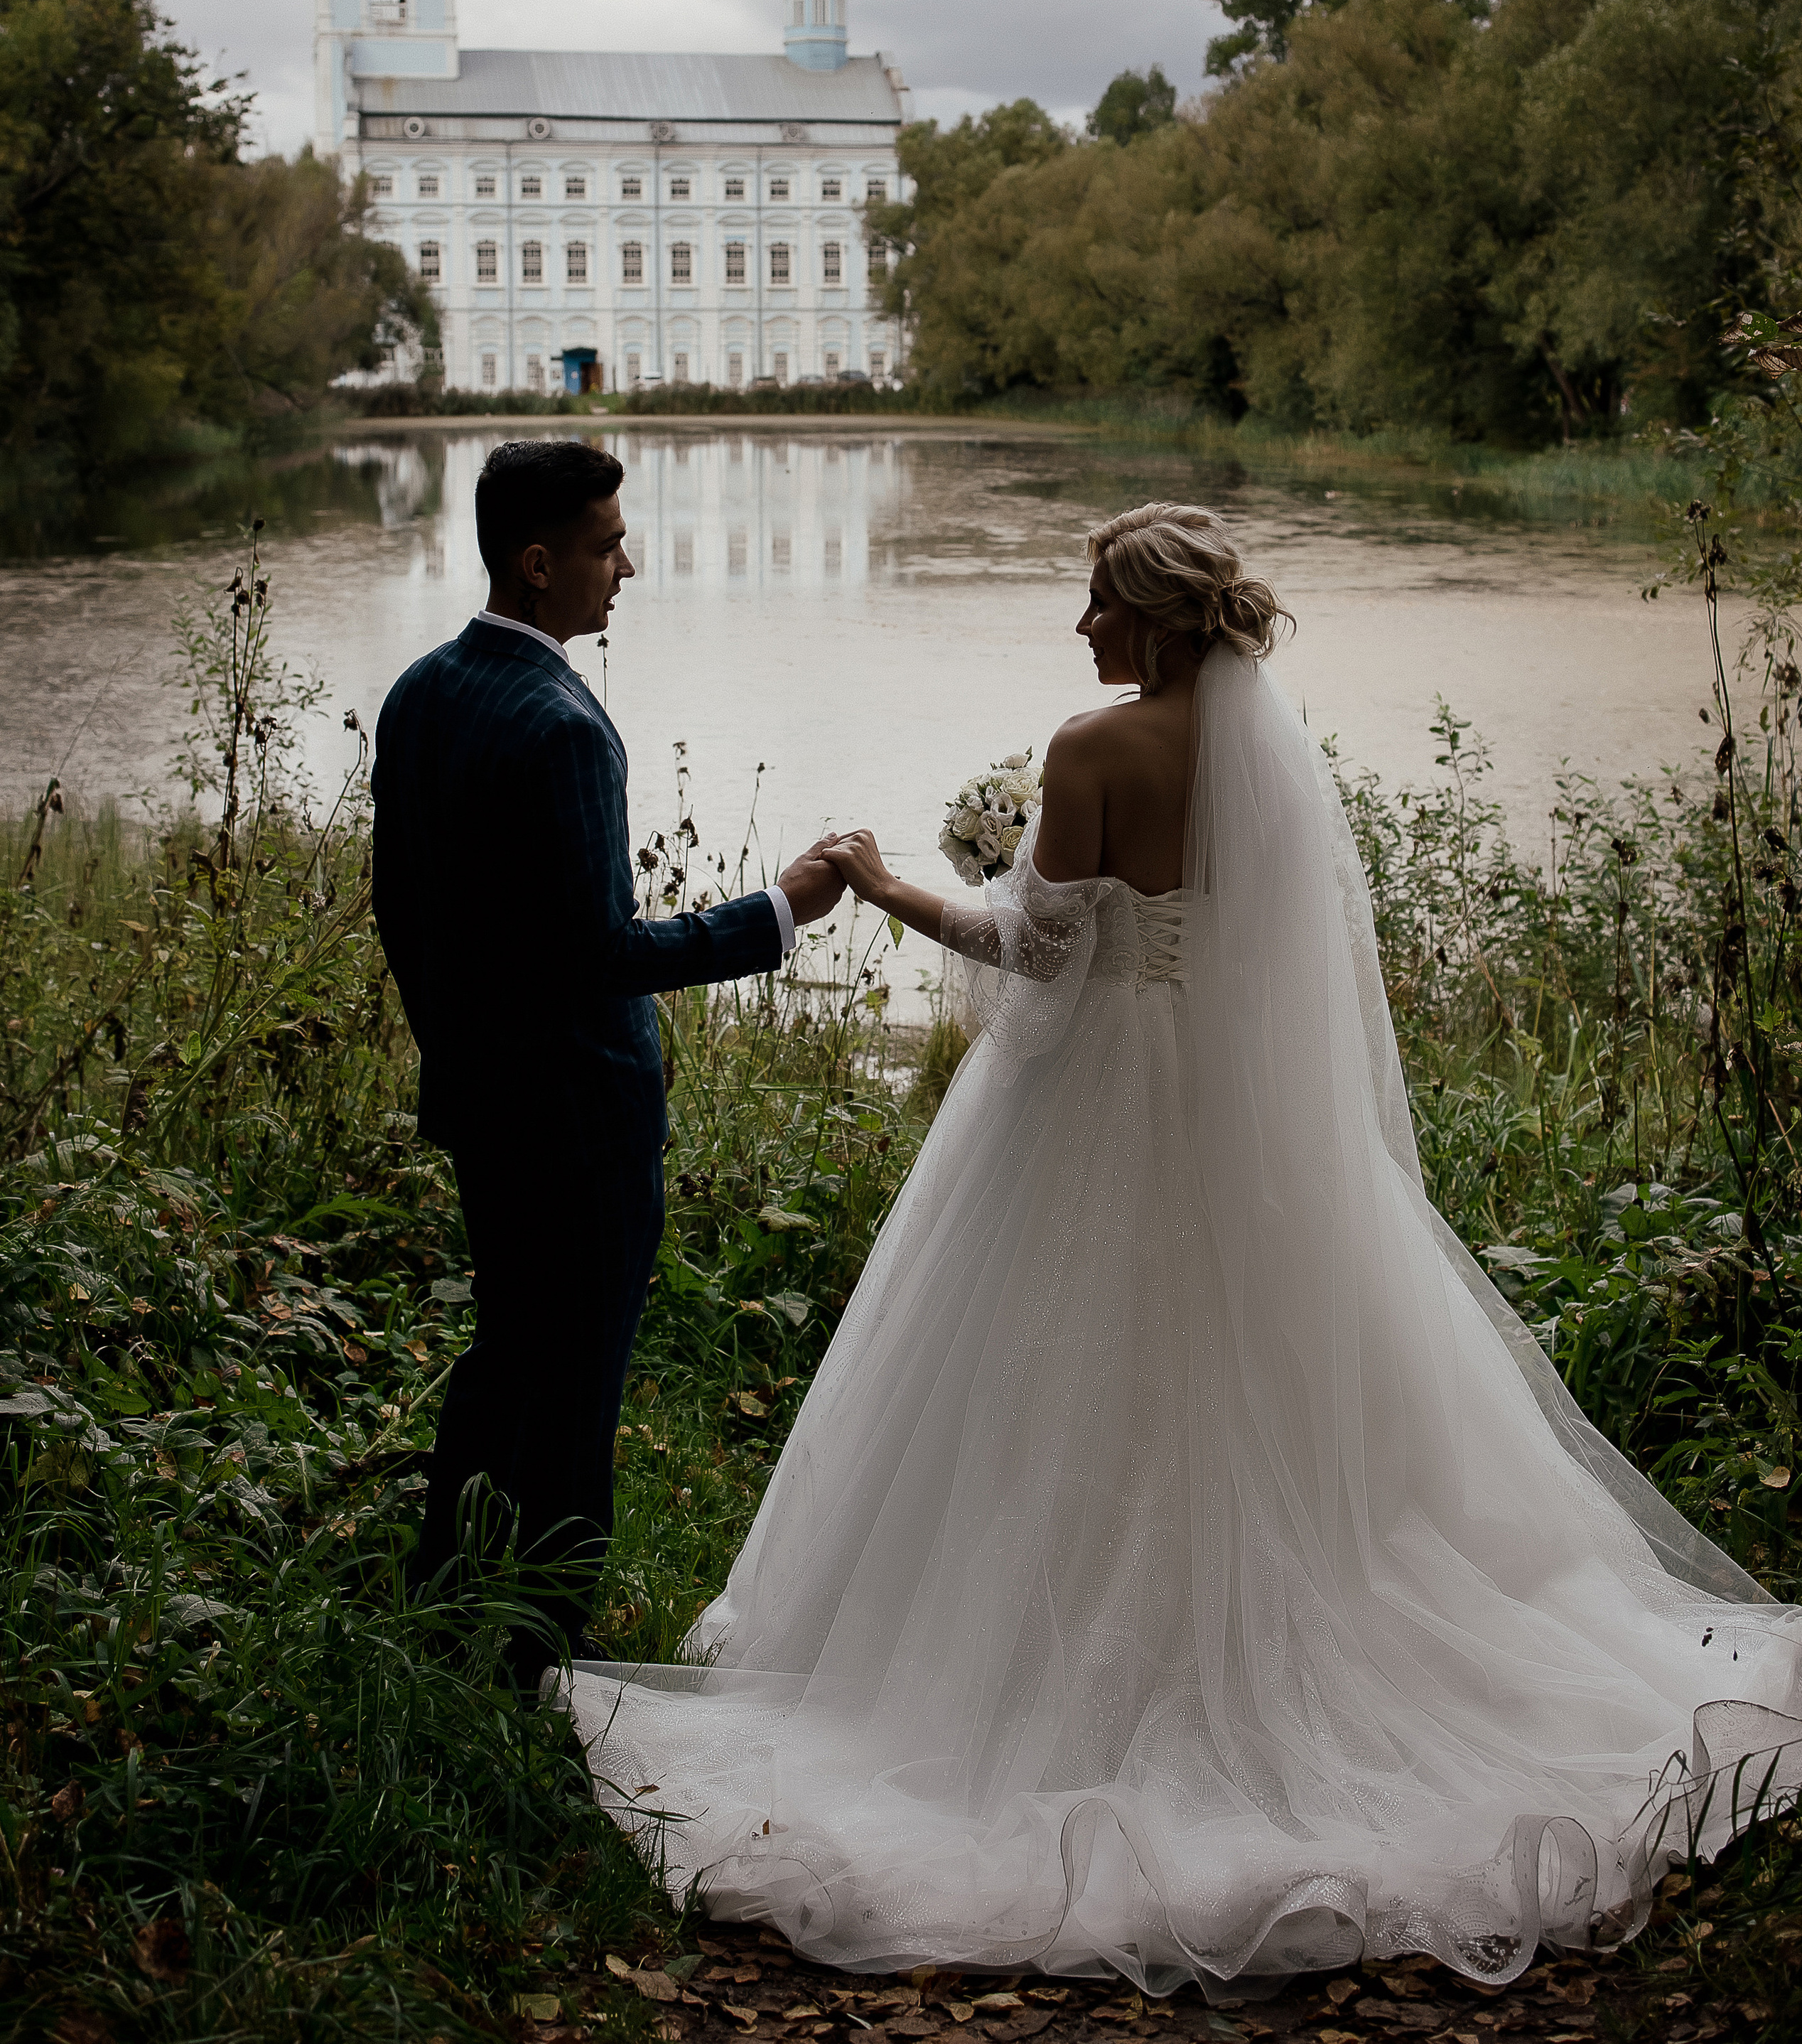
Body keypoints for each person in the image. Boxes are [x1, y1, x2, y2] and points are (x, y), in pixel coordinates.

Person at [570, 502, 1802, 1999]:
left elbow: (1036, 953)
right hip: (1241, 1113)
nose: (1081, 628)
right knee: (1249, 1369)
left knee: (1056, 1368)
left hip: (1097, 1099)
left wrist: (888, 889)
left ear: (1152, 619)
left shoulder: (1091, 751)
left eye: (1098, 604)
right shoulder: (1262, 755)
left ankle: (1020, 1675)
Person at [372, 437, 842, 1674]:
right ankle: (540, 1646)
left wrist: (460, 1048)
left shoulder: (424, 688)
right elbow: (601, 951)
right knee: (575, 1384)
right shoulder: (563, 724)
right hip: (579, 1115)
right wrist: (779, 910)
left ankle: (442, 1586)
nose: (625, 568)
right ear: (538, 564)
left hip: (481, 1096)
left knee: (506, 1352)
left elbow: (403, 911)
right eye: (604, 545)